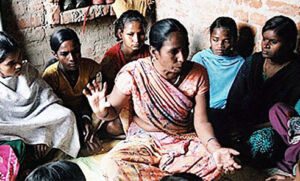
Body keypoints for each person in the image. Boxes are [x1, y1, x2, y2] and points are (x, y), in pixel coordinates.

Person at [84, 18, 241, 180]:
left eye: (185, 49)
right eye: (174, 52)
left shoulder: (198, 73)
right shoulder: (134, 72)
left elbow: (201, 122)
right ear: (154, 52)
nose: (182, 57)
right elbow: (112, 112)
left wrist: (215, 149)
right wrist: (102, 111)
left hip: (182, 140)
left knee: (216, 163)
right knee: (113, 165)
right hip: (144, 141)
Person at [227, 15, 300, 174]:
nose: (265, 45)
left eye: (273, 42)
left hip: (271, 128)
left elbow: (289, 119)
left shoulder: (296, 72)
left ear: (289, 44)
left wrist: (251, 128)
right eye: (264, 39)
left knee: (262, 143)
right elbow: (235, 97)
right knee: (213, 121)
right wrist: (235, 124)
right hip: (243, 122)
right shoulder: (254, 61)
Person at [0, 32, 80, 163]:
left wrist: (43, 135)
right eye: (11, 63)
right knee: (12, 145)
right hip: (12, 129)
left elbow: (47, 98)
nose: (19, 65)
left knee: (67, 115)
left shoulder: (27, 70)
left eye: (19, 58)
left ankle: (56, 160)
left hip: (38, 121)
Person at [42, 28, 102, 154]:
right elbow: (52, 109)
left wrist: (86, 118)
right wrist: (80, 123)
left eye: (76, 52)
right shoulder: (51, 76)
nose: (72, 58)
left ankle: (87, 137)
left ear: (80, 48)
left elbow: (97, 98)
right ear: (55, 54)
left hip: (88, 111)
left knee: (107, 119)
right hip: (66, 117)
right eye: (64, 54)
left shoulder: (90, 67)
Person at [97, 10, 150, 137]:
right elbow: (111, 94)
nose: (136, 39)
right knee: (113, 127)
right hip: (121, 104)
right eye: (131, 34)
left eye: (141, 34)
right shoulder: (111, 58)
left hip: (144, 102)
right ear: (120, 34)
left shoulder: (149, 53)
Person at [192, 17, 244, 141]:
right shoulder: (200, 59)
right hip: (203, 110)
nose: (220, 45)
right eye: (215, 40)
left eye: (226, 41)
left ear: (234, 40)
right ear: (210, 38)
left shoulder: (240, 63)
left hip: (227, 113)